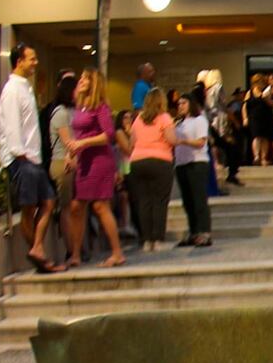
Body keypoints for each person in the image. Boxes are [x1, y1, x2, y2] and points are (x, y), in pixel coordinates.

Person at [0, 44, 61, 273]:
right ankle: (38, 254)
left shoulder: (25, 88)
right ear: (19, 61)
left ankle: (37, 248)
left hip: (32, 159)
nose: (35, 63)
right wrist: (21, 155)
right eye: (31, 59)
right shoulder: (12, 90)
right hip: (21, 159)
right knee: (29, 208)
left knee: (49, 201)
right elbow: (12, 127)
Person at [61, 70, 125, 267]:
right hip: (84, 161)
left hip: (100, 161)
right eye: (80, 78)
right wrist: (70, 154)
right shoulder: (80, 107)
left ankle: (117, 253)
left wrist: (83, 144)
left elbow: (109, 134)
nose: (80, 81)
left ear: (93, 83)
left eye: (85, 78)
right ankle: (76, 254)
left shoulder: (100, 107)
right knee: (77, 207)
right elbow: (77, 137)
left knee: (99, 206)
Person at [125, 89, 176, 253]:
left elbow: (131, 143)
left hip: (138, 162)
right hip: (160, 161)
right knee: (159, 201)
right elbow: (171, 139)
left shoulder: (138, 119)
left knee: (144, 202)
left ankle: (146, 240)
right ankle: (158, 239)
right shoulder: (165, 118)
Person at [173, 87, 215, 248]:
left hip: (197, 163)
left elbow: (201, 142)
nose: (180, 106)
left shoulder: (199, 120)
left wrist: (182, 141)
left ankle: (205, 232)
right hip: (181, 164)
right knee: (188, 201)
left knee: (199, 199)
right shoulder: (179, 123)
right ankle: (194, 231)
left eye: (183, 103)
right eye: (179, 103)